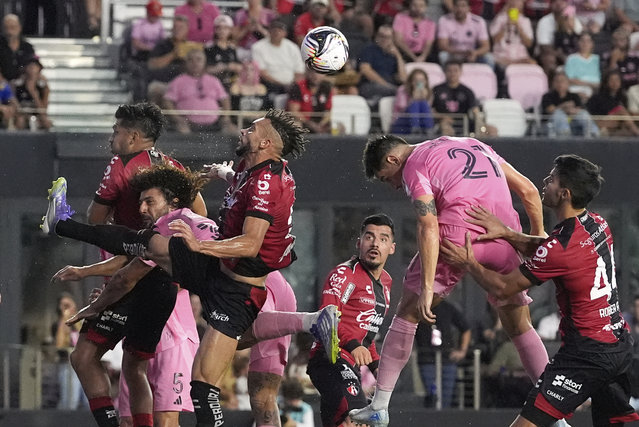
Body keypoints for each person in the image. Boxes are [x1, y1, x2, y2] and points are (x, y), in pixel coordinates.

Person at [43, 109, 310, 426]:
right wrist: (223, 174)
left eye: (252, 128)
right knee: (199, 381)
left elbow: (250, 243)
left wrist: (200, 247)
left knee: (143, 245)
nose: (243, 130)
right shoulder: (254, 171)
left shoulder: (248, 189)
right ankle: (309, 321)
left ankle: (311, 320)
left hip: (230, 289)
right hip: (221, 279)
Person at [350, 134, 549, 427]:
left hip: (456, 235)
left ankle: (379, 406)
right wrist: (537, 238)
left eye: (386, 178)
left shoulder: (414, 164)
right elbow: (530, 191)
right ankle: (554, 411)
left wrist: (428, 288)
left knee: (407, 313)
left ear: (393, 159)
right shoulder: (474, 144)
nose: (393, 185)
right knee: (520, 325)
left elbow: (428, 225)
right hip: (504, 232)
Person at [440, 154, 639, 427]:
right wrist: (508, 233)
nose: (545, 183)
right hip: (619, 345)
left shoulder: (560, 247)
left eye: (552, 179)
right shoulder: (598, 224)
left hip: (586, 354)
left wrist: (469, 263)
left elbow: (502, 287)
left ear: (565, 194)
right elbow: (550, 249)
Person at [54, 163, 208, 427]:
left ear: (173, 200)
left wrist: (95, 306)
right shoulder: (190, 222)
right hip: (165, 296)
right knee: (134, 370)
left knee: (85, 358)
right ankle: (62, 223)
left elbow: (126, 276)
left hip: (161, 307)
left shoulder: (172, 224)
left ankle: (62, 224)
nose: (141, 209)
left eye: (149, 201)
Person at [308, 214, 396, 427]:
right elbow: (326, 318)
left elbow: (366, 333)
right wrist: (353, 345)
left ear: (391, 248)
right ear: (359, 243)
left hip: (350, 366)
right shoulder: (343, 274)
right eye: (369, 237)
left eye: (383, 239)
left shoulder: (386, 282)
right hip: (329, 358)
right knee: (359, 418)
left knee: (344, 422)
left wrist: (376, 366)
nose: (375, 243)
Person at [414, 300, 470, 409]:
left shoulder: (447, 307)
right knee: (432, 392)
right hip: (426, 358)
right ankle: (431, 416)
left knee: (446, 396)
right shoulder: (419, 306)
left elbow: (466, 328)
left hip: (447, 358)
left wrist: (462, 351)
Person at [163, 48, 234, 134]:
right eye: (191, 60)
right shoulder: (178, 81)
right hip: (187, 124)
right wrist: (177, 118)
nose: (195, 63)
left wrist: (226, 117)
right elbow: (167, 101)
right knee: (182, 131)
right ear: (186, 63)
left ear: (204, 62)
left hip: (215, 123)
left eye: (198, 59)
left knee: (233, 131)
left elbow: (225, 99)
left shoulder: (214, 80)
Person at [252, 19, 306, 98]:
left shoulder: (292, 47)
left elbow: (299, 71)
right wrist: (281, 85)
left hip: (292, 85)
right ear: (269, 31)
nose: (277, 32)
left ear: (285, 33)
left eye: (280, 30)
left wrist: (293, 85)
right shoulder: (258, 47)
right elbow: (262, 72)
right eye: (274, 30)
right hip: (270, 85)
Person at [437, 0, 494, 68]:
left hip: (472, 53)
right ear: (453, 7)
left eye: (463, 6)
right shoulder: (444, 20)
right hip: (453, 53)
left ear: (469, 8)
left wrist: (475, 53)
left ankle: (489, 77)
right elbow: (442, 45)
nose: (460, 9)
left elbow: (486, 46)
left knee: (489, 58)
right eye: (457, 6)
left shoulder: (478, 21)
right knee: (443, 55)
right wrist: (460, 52)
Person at [541, 71, 599, 137]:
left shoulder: (574, 96)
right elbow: (550, 109)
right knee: (559, 114)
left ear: (568, 83)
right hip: (552, 123)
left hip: (572, 120)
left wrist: (571, 111)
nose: (560, 84)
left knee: (583, 113)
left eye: (562, 81)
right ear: (553, 83)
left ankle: (593, 133)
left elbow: (579, 109)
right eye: (557, 81)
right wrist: (563, 107)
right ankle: (564, 134)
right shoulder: (547, 96)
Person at [357, 25, 407, 102]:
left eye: (388, 37)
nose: (384, 40)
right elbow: (365, 70)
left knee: (404, 91)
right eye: (382, 36)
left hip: (390, 86)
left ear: (392, 39)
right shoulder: (369, 49)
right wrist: (385, 85)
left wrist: (398, 56)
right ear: (376, 36)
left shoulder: (394, 54)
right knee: (400, 93)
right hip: (370, 85)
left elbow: (403, 78)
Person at [53, 292, 85, 410]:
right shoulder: (58, 324)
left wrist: (75, 315)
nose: (66, 307)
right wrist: (64, 317)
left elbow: (83, 335)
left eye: (68, 304)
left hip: (85, 365)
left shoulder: (81, 320)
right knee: (70, 400)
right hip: (68, 365)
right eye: (63, 305)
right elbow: (59, 344)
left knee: (88, 400)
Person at [431, 59, 479, 135]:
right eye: (449, 71)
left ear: (460, 72)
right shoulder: (436, 89)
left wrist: (481, 124)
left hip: (464, 123)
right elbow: (431, 110)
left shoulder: (467, 91)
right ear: (444, 72)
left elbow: (475, 110)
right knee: (446, 128)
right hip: (442, 122)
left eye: (455, 70)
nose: (452, 73)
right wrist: (443, 117)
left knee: (491, 130)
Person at [586, 69, 639, 136]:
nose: (615, 83)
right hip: (597, 124)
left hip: (614, 127)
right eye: (612, 80)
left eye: (617, 80)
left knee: (625, 131)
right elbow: (589, 115)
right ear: (606, 82)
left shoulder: (622, 97)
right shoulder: (597, 97)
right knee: (620, 110)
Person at [489, 0, 535, 71]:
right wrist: (505, 26)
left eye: (518, 1)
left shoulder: (525, 21)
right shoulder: (499, 19)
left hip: (520, 56)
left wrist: (518, 27)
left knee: (533, 64)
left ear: (522, 5)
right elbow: (494, 41)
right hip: (501, 56)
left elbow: (528, 44)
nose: (514, 3)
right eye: (512, 0)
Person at [287, 68, 333, 134]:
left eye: (319, 73)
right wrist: (310, 124)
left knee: (339, 127)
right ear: (307, 73)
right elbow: (294, 112)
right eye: (313, 72)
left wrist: (322, 124)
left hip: (320, 123)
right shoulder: (298, 86)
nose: (316, 76)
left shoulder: (327, 87)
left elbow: (328, 111)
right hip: (303, 122)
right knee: (296, 125)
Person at [13, 55, 52, 131]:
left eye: (35, 66)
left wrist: (33, 92)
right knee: (20, 121)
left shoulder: (43, 87)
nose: (32, 69)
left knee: (46, 122)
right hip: (22, 113)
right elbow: (14, 103)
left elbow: (43, 110)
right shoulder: (18, 84)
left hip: (37, 113)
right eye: (30, 66)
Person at [391, 68, 435, 135]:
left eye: (422, 80)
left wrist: (424, 98)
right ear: (411, 81)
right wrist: (413, 99)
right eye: (416, 80)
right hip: (402, 123)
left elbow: (426, 111)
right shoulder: (402, 89)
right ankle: (415, 129)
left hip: (422, 125)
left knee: (423, 103)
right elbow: (402, 108)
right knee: (415, 103)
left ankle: (428, 129)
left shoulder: (429, 92)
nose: (419, 83)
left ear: (426, 81)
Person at [204, 15, 242, 91]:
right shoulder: (209, 48)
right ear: (215, 30)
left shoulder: (232, 49)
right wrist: (226, 66)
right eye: (219, 28)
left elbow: (239, 66)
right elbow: (206, 70)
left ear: (230, 30)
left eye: (225, 28)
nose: (222, 31)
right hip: (214, 84)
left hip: (231, 84)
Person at [0, 14, 35, 82]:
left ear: (19, 28)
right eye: (6, 28)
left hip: (23, 81)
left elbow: (33, 64)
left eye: (12, 28)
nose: (9, 32)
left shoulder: (27, 47)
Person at [564, 32, 600, 98]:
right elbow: (569, 79)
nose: (585, 44)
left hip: (595, 90)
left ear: (592, 43)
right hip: (576, 89)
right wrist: (589, 84)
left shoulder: (597, 59)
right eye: (582, 41)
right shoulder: (571, 59)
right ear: (578, 43)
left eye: (588, 41)